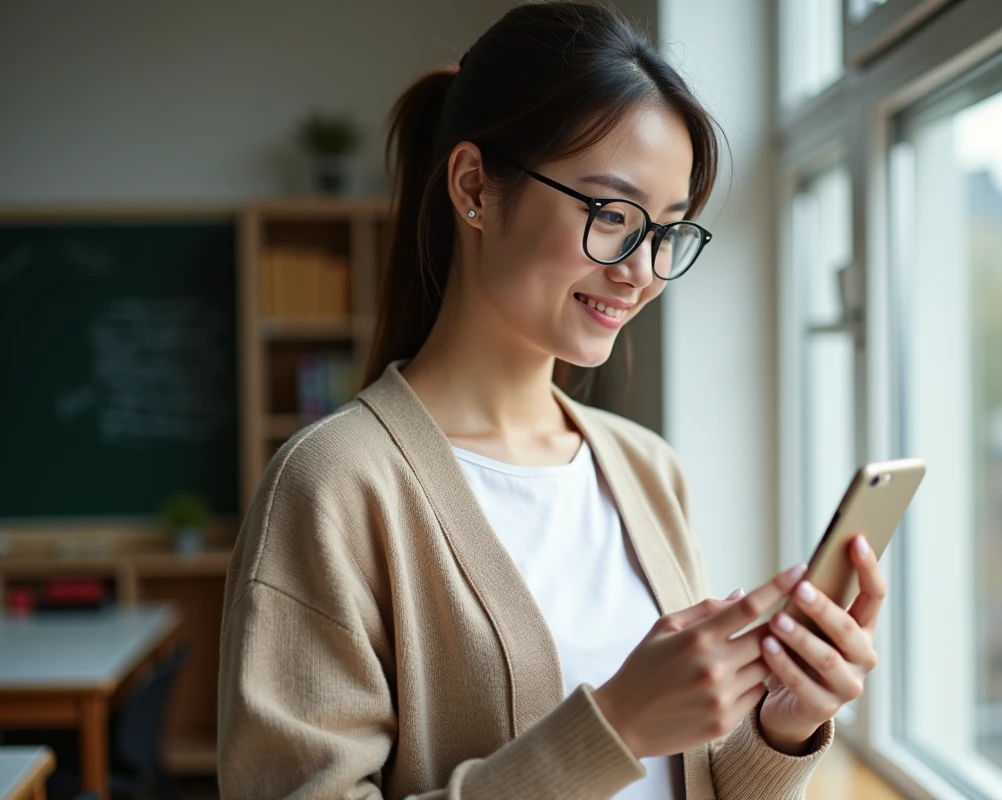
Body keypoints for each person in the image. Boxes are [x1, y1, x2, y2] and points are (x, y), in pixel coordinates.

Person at [217, 3, 886, 798]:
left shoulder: (646, 468)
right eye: (612, 215)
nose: (639, 272)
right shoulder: (334, 485)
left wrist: (781, 726)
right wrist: (616, 730)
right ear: (474, 186)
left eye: (665, 232)